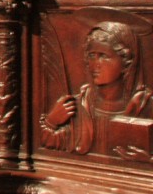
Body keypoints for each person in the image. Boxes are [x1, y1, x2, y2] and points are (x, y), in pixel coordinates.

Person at [41, 20, 152, 155]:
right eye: (91, 56)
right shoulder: (78, 105)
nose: (94, 64)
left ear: (126, 62)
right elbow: (50, 143)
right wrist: (51, 122)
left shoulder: (145, 106)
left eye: (103, 56)